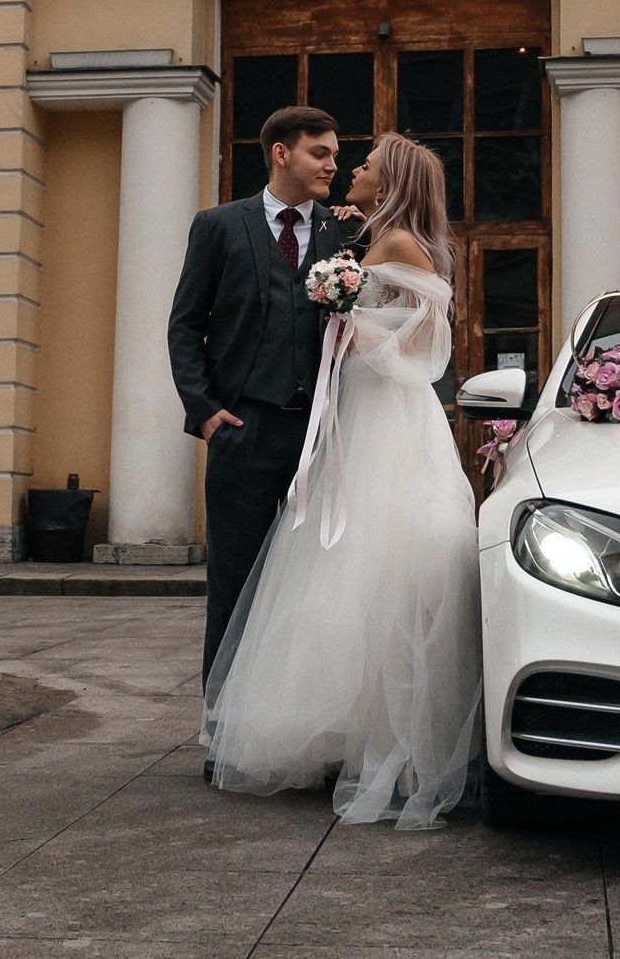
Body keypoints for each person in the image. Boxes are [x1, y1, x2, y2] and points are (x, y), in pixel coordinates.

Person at [200, 132, 482, 829]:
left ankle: (381, 741)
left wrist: (352, 325)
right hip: (364, 415)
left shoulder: (395, 247)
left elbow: (425, 347)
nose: (350, 170)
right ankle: (356, 733)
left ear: (385, 186)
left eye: (364, 166)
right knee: (345, 565)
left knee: (365, 566)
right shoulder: (382, 238)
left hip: (387, 418)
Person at [167, 105, 349, 689]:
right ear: (281, 153)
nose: (332, 164)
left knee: (314, 589)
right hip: (242, 433)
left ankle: (293, 728)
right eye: (320, 153)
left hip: (320, 438)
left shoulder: (344, 230)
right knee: (234, 585)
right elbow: (185, 324)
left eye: (336, 154)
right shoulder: (218, 226)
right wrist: (204, 412)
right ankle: (222, 728)